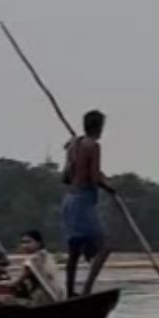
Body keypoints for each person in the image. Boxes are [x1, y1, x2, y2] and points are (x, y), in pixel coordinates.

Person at [61, 109, 116, 297]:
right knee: (105, 246)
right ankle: (86, 291)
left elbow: (66, 177)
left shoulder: (72, 145)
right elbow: (94, 178)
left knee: (74, 252)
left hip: (69, 201)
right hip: (82, 201)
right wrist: (110, 188)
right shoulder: (93, 146)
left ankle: (69, 292)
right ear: (99, 127)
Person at [0, 230, 66, 307]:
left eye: (28, 242)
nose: (25, 245)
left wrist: (2, 284)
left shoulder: (33, 261)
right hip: (56, 297)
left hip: (41, 301)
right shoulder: (45, 255)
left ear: (39, 243)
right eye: (23, 243)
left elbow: (15, 283)